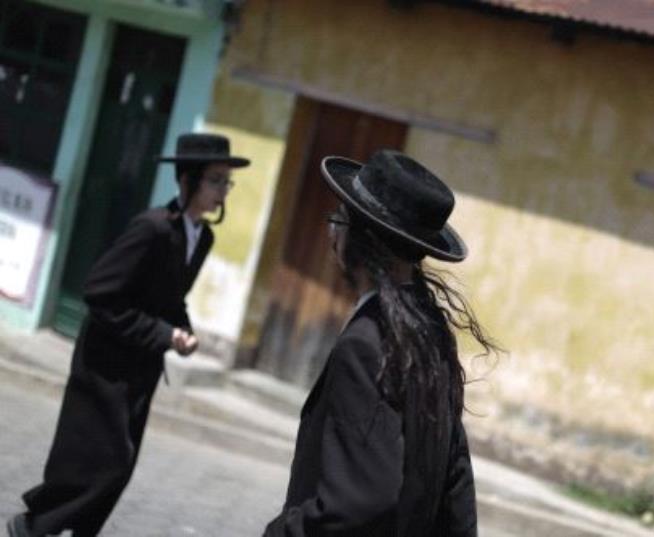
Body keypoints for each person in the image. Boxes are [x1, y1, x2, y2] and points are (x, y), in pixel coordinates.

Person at [7, 133, 250, 537]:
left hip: (141, 366)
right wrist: (162, 334)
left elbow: (171, 298)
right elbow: (99, 294)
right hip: (103, 363)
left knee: (121, 465)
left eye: (228, 182)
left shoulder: (202, 237)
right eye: (216, 180)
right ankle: (33, 526)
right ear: (188, 181)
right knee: (99, 460)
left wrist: (183, 330)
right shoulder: (151, 228)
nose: (224, 190)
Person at [263, 149, 499, 537]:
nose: (331, 231)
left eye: (339, 219)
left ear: (362, 238)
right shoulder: (429, 332)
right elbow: (456, 477)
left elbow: (359, 499)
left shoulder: (366, 344)